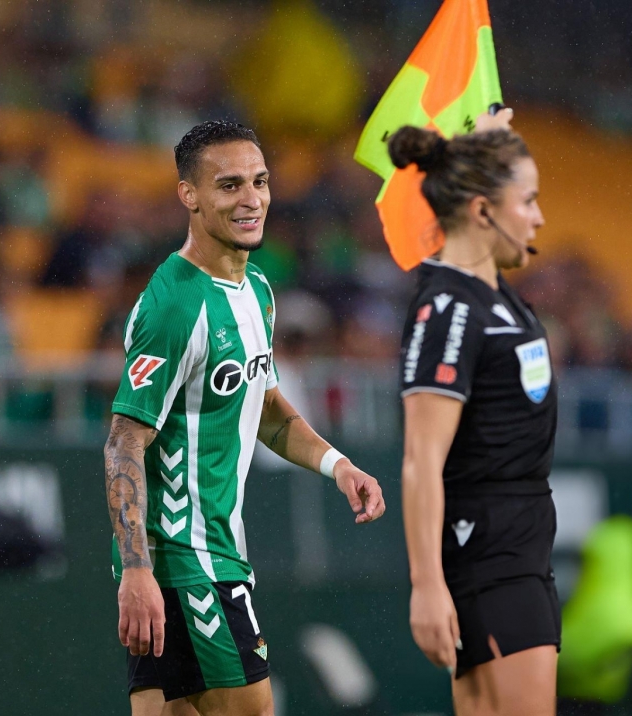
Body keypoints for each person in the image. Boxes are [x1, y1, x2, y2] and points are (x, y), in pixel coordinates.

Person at [104, 120, 386, 716]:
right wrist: (136, 569)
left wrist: (337, 465)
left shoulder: (257, 288)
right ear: (189, 195)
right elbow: (124, 442)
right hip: (189, 561)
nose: (251, 199)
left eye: (259, 181)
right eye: (229, 185)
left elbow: (266, 409)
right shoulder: (175, 306)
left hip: (202, 557)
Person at [393, 112, 559, 716]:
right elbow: (421, 459)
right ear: (484, 210)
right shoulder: (449, 308)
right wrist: (427, 586)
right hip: (486, 555)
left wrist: (480, 138)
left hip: (520, 551)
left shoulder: (491, 290)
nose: (539, 218)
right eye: (528, 200)